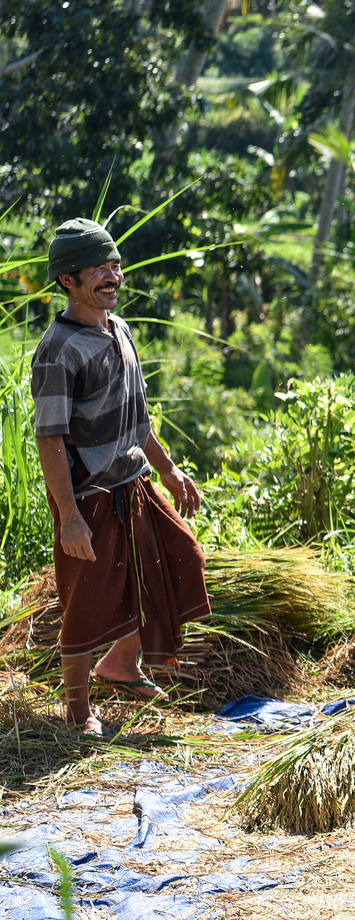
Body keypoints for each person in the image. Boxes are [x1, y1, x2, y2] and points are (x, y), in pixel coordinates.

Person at [30, 218, 210, 735]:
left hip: (133, 482)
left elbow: (138, 417)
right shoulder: (59, 350)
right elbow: (49, 439)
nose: (112, 276)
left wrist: (170, 470)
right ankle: (79, 710)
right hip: (86, 493)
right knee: (87, 600)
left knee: (181, 560)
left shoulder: (121, 330)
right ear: (68, 280)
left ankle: (121, 663)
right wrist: (69, 517)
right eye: (98, 269)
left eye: (115, 265)